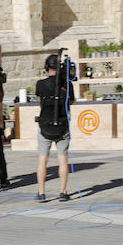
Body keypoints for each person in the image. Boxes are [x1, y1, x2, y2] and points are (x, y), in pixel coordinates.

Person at [34, 54, 75, 202]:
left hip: (45, 125)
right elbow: (71, 102)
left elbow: (39, 98)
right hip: (62, 125)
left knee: (42, 159)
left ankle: (41, 192)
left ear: (47, 68)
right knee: (62, 159)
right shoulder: (67, 85)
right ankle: (63, 192)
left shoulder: (40, 84)